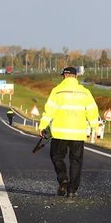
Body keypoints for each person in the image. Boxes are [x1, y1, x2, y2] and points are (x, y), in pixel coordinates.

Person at [38, 66, 100, 197]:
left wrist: (42, 126)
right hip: (78, 134)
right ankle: (72, 190)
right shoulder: (85, 92)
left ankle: (63, 178)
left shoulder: (57, 91)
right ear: (76, 76)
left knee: (56, 157)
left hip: (60, 133)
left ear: (64, 76)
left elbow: (49, 111)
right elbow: (92, 111)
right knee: (76, 161)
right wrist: (95, 128)